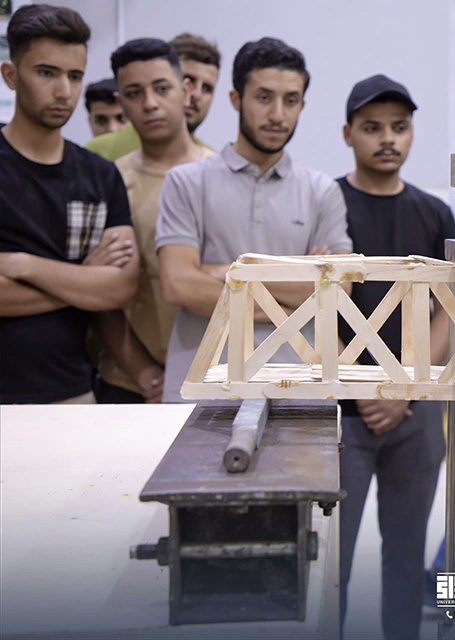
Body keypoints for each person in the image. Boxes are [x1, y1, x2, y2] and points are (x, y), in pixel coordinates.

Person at [156, 37, 351, 402]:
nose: (278, 114)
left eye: (290, 100)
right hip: (200, 386)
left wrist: (224, 272)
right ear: (236, 99)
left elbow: (338, 291)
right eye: (264, 97)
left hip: (300, 387)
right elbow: (179, 285)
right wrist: (298, 290)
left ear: (302, 105)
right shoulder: (185, 182)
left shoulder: (322, 191)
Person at [336, 74, 455, 640]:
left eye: (399, 127)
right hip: (341, 411)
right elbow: (309, 309)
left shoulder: (435, 213)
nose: (388, 138)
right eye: (372, 127)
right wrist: (364, 389)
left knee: (407, 560)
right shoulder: (326, 206)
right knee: (330, 564)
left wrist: (404, 388)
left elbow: (450, 312)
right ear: (348, 134)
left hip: (416, 410)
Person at [0, 4, 137, 404]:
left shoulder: (100, 175)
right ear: (10, 75)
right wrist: (83, 279)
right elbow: (101, 289)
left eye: (74, 76)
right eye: (47, 73)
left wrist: (25, 266)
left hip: (73, 394)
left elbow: (120, 288)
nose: (64, 91)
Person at [93, 38, 215, 404]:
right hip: (128, 381)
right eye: (134, 93)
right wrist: (144, 373)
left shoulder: (222, 176)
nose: (149, 103)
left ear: (185, 90)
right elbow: (101, 296)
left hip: (214, 378)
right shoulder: (108, 181)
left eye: (162, 89)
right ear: (121, 102)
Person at [86, 32, 220, 161]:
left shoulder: (214, 162)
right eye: (162, 88)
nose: (196, 94)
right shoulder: (99, 154)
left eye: (207, 88)